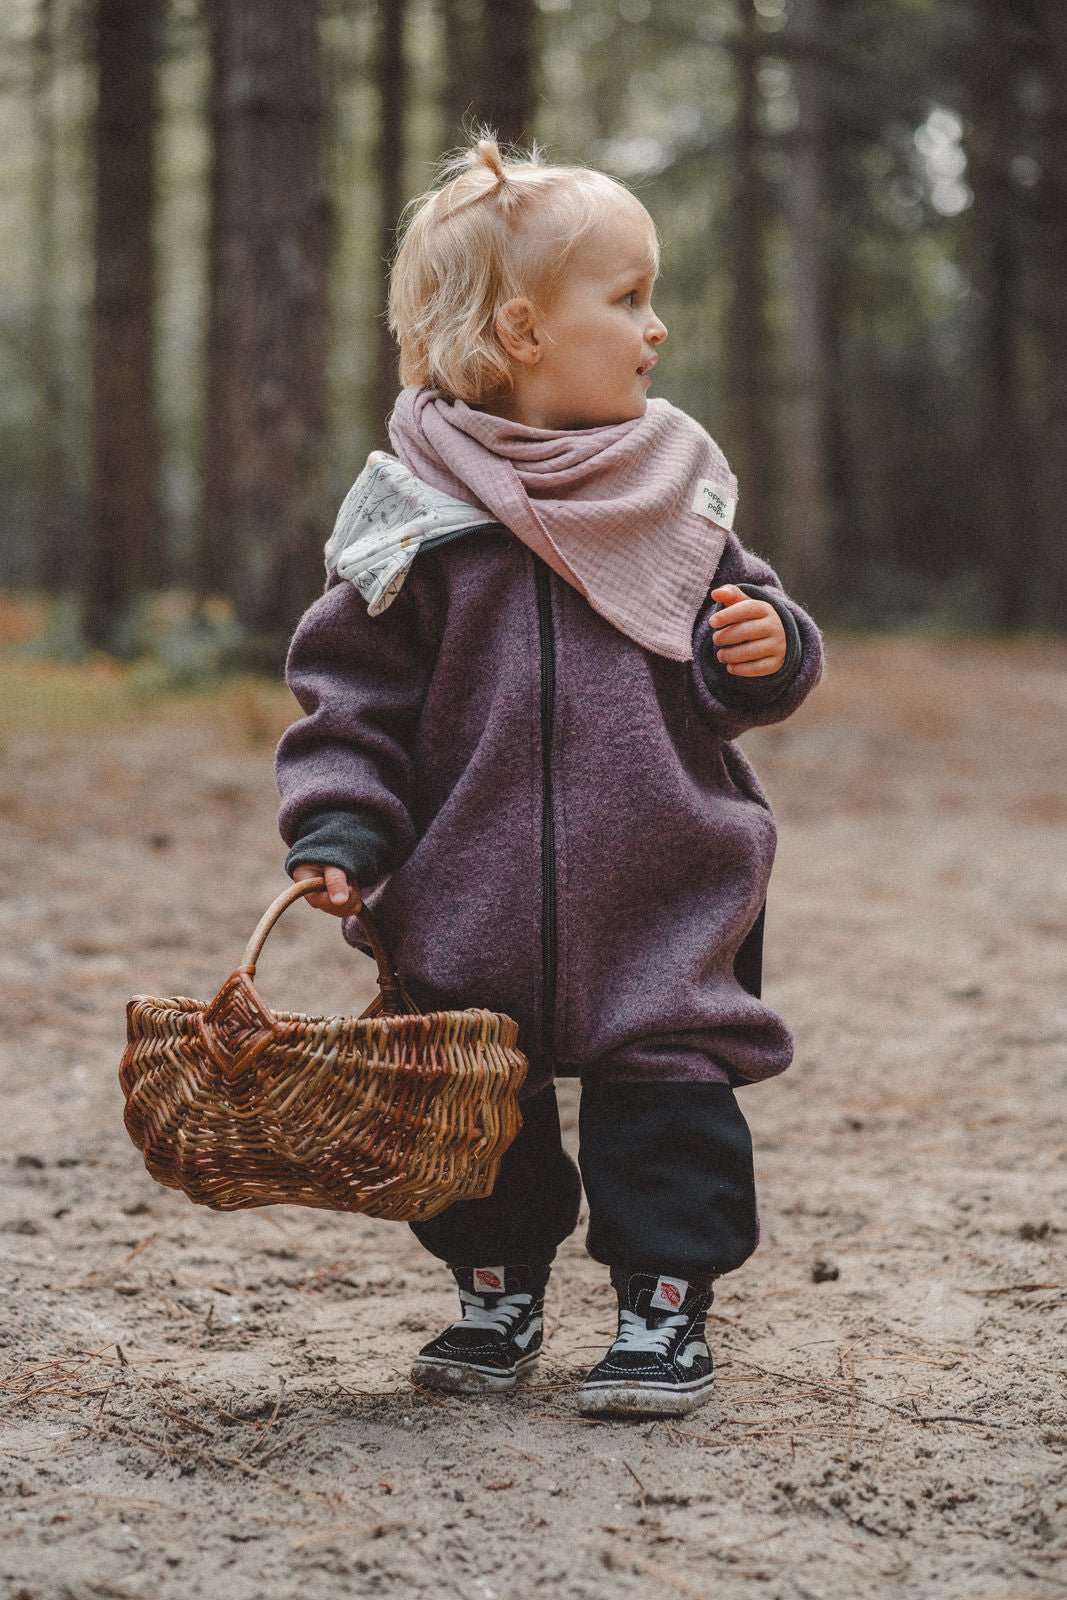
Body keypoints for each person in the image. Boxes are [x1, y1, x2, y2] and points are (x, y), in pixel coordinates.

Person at [275, 134, 824, 1418]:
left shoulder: (672, 488)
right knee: (475, 1104)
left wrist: (763, 648)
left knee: (667, 1097)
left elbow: (742, 643)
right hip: (467, 889)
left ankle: (662, 1307)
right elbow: (351, 698)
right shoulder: (411, 514)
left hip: (662, 869)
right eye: (626, 298)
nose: (655, 326)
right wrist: (340, 824)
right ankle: (494, 1288)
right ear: (522, 329)